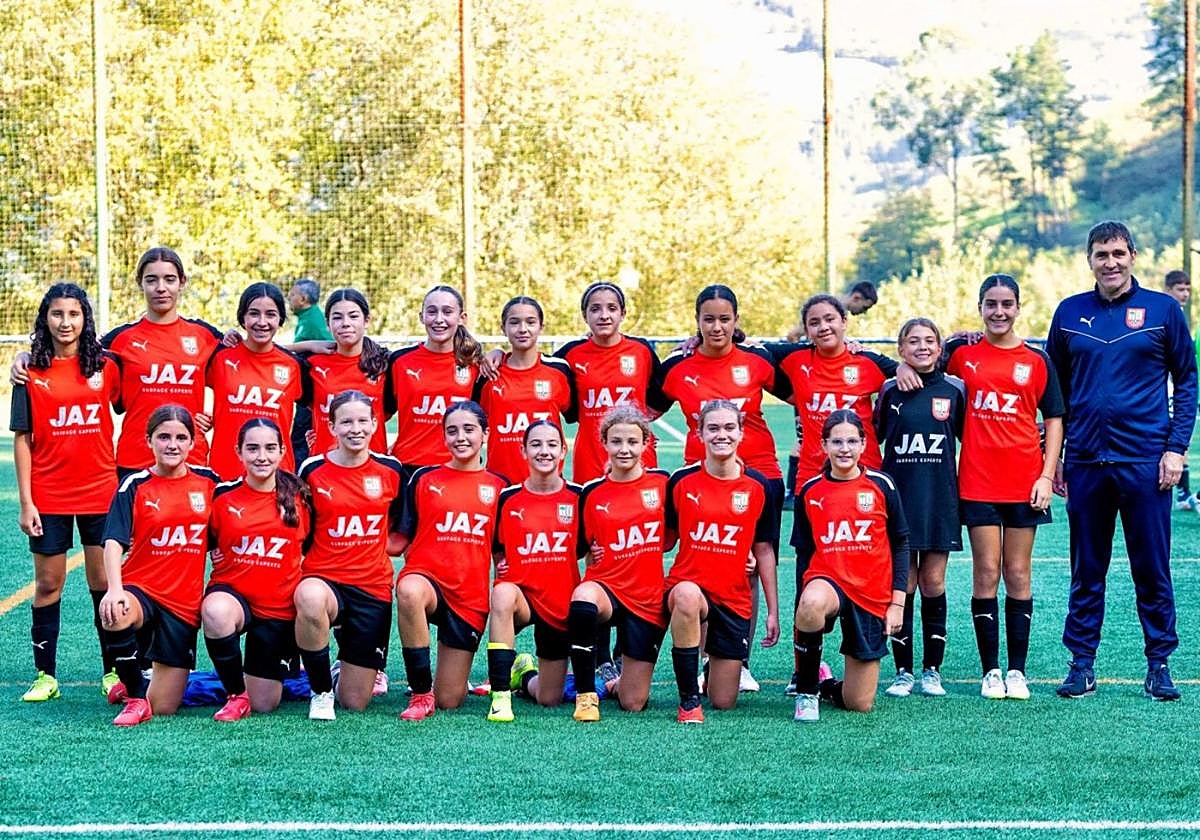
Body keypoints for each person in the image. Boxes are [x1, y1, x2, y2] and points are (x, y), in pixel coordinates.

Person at [1048, 220, 1197, 701]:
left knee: (1151, 568)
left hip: (1147, 463)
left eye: (1117, 253)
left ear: (1133, 254)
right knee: (1086, 569)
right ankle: (1081, 665)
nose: (1110, 262)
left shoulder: (1163, 310)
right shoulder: (1070, 313)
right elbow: (1055, 393)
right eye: (1100, 254)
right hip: (1087, 462)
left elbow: (1188, 382)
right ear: (1088, 260)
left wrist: (1175, 449)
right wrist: (1057, 459)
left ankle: (1159, 663)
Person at [768, 293, 912, 694]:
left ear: (845, 321)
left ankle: (873, 650)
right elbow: (750, 349)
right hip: (814, 485)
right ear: (806, 329)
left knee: (872, 561)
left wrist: (902, 365)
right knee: (807, 580)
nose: (823, 327)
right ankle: (805, 674)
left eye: (830, 319)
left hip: (864, 485)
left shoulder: (868, 363)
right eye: (814, 322)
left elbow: (912, 366)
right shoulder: (796, 361)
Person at [648, 284, 787, 693]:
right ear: (697, 322)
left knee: (749, 566)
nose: (717, 326)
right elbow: (646, 411)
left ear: (737, 321)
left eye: (725, 318)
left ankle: (739, 659)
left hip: (760, 476)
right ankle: (707, 656)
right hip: (701, 479)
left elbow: (802, 388)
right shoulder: (677, 366)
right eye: (708, 319)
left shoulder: (760, 359)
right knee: (706, 561)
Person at [945, 274, 1064, 701]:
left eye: (1006, 304)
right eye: (991, 303)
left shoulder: (1036, 360)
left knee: (1017, 573)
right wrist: (904, 365)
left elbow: (1054, 418)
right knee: (985, 573)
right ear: (980, 307)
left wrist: (1046, 476)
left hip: (1024, 482)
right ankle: (990, 671)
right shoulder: (961, 355)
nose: (999, 311)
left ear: (1018, 307)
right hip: (977, 481)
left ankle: (1017, 671)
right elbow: (922, 366)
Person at [10, 248, 224, 475]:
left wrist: (214, 417)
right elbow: (69, 351)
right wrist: (25, 357)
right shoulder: (118, 339)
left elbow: (242, 371)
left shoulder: (205, 336)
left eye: (169, 279)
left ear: (182, 282)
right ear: (139, 283)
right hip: (135, 460)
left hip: (192, 459)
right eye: (151, 279)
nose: (161, 288)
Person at [11, 283, 122, 702]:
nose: (65, 322)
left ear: (85, 318)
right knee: (48, 585)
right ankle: (46, 677)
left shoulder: (106, 366)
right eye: (57, 314)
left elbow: (138, 401)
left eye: (73, 314)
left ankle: (113, 673)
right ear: (46, 319)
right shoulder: (29, 372)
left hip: (100, 493)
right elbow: (23, 439)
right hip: (49, 496)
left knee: (102, 583)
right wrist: (26, 502)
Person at [97, 405, 220, 726]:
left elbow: (241, 509)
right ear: (149, 440)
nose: (172, 445)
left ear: (193, 442)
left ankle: (133, 686)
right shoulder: (135, 484)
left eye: (181, 437)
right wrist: (114, 589)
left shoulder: (209, 483)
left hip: (183, 606)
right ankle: (136, 698)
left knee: (164, 706)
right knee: (115, 611)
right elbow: (113, 541)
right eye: (163, 437)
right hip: (142, 593)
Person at [662, 400, 780, 724]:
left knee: (724, 701)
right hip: (690, 590)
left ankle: (711, 664)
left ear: (742, 432)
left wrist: (772, 611)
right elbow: (664, 540)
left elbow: (765, 550)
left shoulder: (759, 486)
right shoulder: (681, 481)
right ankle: (688, 701)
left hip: (733, 599)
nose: (721, 435)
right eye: (712, 428)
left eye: (729, 427)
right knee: (686, 595)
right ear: (699, 433)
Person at [295, 390, 407, 721]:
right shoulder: (313, 468)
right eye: (345, 421)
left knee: (356, 701)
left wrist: (369, 548)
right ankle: (320, 692)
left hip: (372, 588)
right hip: (324, 578)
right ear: (332, 426)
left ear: (375, 424)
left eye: (362, 421)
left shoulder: (391, 469)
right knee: (310, 597)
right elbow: (302, 529)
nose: (354, 429)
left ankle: (339, 668)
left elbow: (398, 531)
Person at [790, 410, 909, 722]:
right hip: (827, 580)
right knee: (813, 601)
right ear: (824, 445)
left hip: (871, 592)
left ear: (863, 444)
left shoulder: (882, 485)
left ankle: (825, 684)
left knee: (859, 703)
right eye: (837, 441)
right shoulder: (811, 490)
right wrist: (801, 606)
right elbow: (804, 553)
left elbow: (900, 543)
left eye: (852, 441)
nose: (845, 448)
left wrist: (897, 603)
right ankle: (806, 692)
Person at [392, 401, 508, 720]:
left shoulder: (500, 487)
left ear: (485, 434)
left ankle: (519, 675)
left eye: (469, 430)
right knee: (410, 590)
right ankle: (419, 694)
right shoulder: (422, 479)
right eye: (452, 431)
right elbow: (398, 538)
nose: (460, 437)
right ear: (443, 437)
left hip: (468, 598)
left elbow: (503, 550)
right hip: (426, 579)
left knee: (450, 699)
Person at [875, 318, 965, 698]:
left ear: (940, 348)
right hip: (900, 500)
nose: (922, 347)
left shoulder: (955, 389)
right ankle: (903, 671)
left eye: (930, 341)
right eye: (913, 342)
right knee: (904, 583)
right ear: (901, 349)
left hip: (939, 499)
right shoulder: (890, 390)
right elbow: (875, 437)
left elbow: (970, 440)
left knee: (933, 582)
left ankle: (932, 670)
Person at [202, 419, 310, 721]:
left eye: (269, 448)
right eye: (252, 448)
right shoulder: (222, 496)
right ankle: (235, 694)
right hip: (234, 596)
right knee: (215, 611)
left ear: (282, 451)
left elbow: (313, 547)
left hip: (278, 608)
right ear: (238, 452)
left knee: (264, 703)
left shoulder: (300, 497)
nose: (261, 456)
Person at [567, 407, 670, 721]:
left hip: (647, 598)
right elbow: (579, 546)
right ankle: (586, 696)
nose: (624, 448)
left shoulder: (665, 484)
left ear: (645, 444)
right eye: (616, 441)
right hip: (606, 588)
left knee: (633, 702)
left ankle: (611, 680)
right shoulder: (591, 492)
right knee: (584, 597)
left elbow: (685, 529)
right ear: (604, 442)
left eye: (632, 441)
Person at [486, 420, 585, 722]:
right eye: (536, 445)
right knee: (502, 593)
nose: (544, 451)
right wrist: (501, 561)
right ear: (523, 450)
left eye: (552, 445)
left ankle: (523, 673)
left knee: (549, 698)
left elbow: (587, 544)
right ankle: (500, 696)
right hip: (522, 599)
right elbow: (494, 544)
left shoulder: (580, 497)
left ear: (563, 450)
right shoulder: (507, 498)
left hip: (560, 602)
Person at [553, 282, 661, 483]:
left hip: (639, 459)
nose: (604, 315)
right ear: (585, 316)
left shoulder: (641, 350)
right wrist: (498, 355)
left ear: (623, 313)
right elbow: (533, 365)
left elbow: (663, 392)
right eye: (595, 309)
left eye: (612, 308)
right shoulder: (570, 354)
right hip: (591, 460)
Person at [206, 283, 309, 481]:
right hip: (225, 476)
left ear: (280, 319)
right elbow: (185, 387)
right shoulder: (219, 357)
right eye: (254, 313)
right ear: (242, 318)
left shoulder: (294, 366)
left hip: (276, 479)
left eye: (270, 314)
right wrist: (198, 416)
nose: (262, 322)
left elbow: (323, 405)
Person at [472, 296, 575, 483]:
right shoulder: (488, 373)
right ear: (503, 328)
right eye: (514, 322)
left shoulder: (559, 371)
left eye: (530, 322)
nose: (522, 329)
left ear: (541, 327)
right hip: (500, 483)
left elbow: (574, 413)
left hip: (548, 484)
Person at [388, 285, 483, 480]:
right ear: (422, 316)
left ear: (461, 317)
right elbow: (379, 414)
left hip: (460, 468)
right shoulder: (399, 361)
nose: (439, 319)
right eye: (432, 312)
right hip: (408, 468)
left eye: (447, 312)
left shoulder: (476, 364)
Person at [307, 289, 391, 458]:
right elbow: (270, 351)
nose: (345, 323)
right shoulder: (312, 365)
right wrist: (305, 345)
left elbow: (386, 413)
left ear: (367, 320)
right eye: (337, 317)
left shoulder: (385, 365)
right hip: (324, 468)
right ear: (327, 323)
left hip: (373, 468)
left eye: (353, 316)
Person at [1163, 270, 1196, 512]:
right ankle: (1183, 493)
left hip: (1176, 385)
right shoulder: (1164, 311)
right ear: (1168, 289)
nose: (1184, 294)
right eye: (1180, 289)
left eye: (1187, 290)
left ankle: (1183, 492)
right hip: (1164, 387)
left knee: (1182, 434)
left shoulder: (1181, 315)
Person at [288, 277, 334, 343]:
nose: (289, 298)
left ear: (303, 299)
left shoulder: (311, 322)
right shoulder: (310, 314)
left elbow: (331, 345)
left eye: (292, 295)